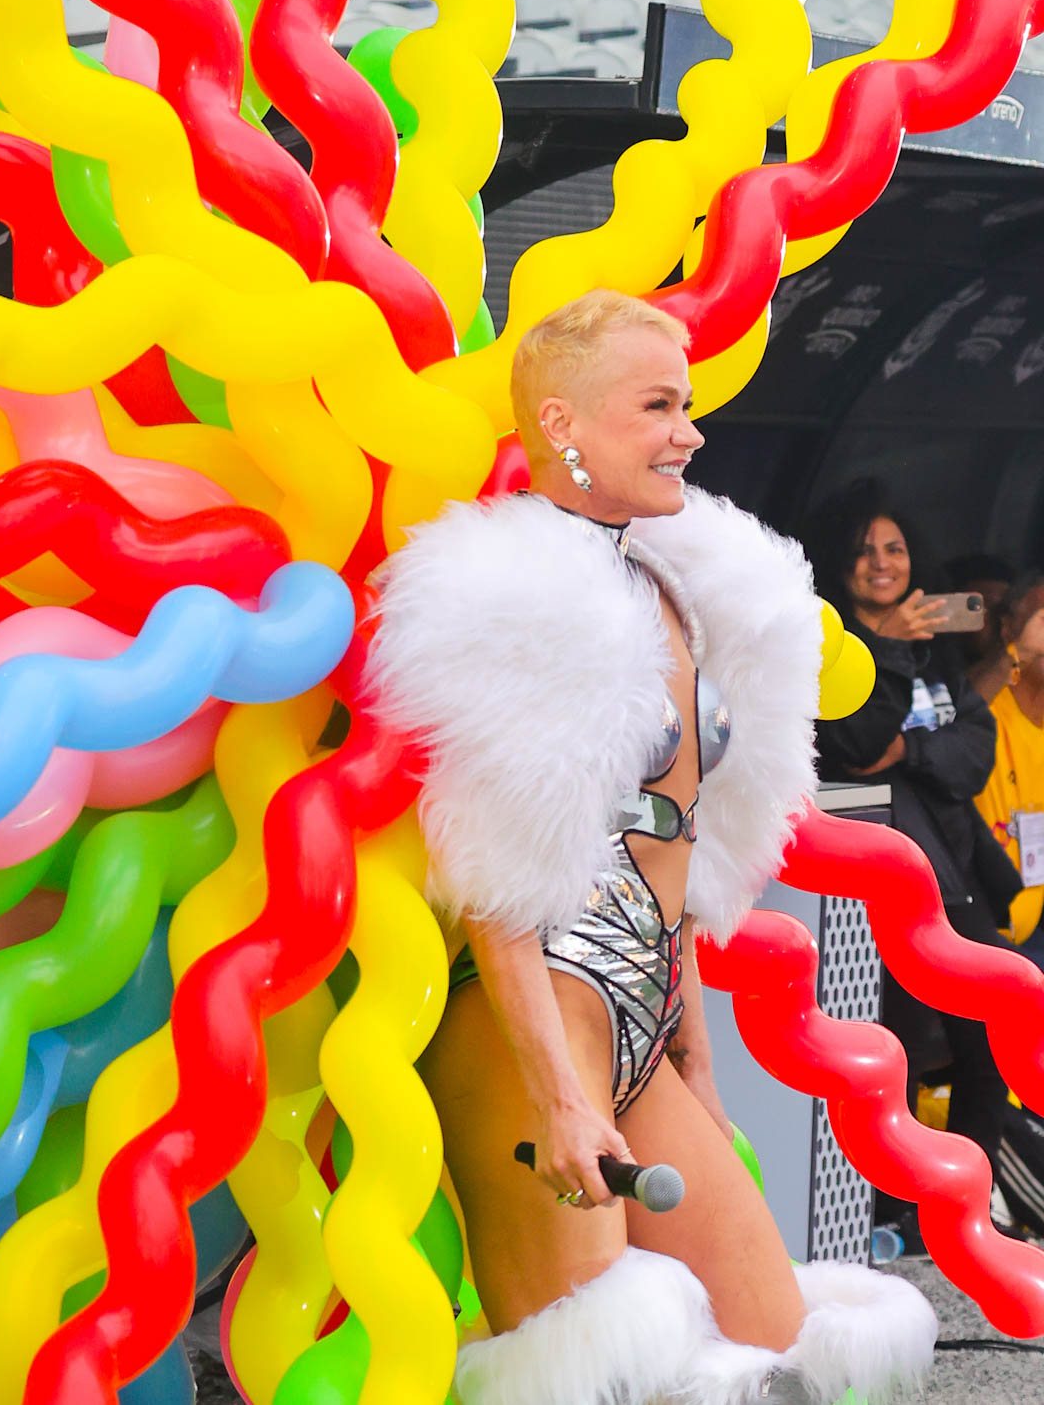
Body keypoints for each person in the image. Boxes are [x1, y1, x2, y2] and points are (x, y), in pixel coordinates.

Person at [369, 294, 935, 1405]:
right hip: (541, 1023)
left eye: (687, 406)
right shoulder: (510, 593)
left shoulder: (667, 581)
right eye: (658, 406)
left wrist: (693, 1055)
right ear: (562, 422)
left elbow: (670, 856)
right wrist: (558, 1094)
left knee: (782, 1347)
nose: (689, 432)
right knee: (590, 1376)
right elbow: (497, 879)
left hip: (642, 1016)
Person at [802, 479, 1024, 1245]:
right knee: (882, 1055)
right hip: (860, 893)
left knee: (988, 1037)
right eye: (864, 549)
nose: (880, 562)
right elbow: (854, 745)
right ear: (841, 560)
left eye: (893, 548)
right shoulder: (830, 647)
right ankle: (872, 1207)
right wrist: (887, 649)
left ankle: (963, 1201)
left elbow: (973, 754)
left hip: (946, 887)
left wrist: (911, 750)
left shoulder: (937, 657)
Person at [972, 571, 1044, 961]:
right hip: (977, 934)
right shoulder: (989, 697)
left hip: (1031, 936)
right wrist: (1022, 651)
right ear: (1007, 629)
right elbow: (955, 717)